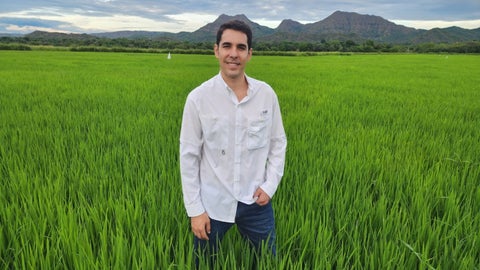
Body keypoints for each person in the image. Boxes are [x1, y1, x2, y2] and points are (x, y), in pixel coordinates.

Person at [179, 20, 287, 267]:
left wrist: (270, 186)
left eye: (241, 47)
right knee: (203, 263)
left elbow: (278, 142)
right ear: (216, 50)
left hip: (256, 202)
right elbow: (188, 157)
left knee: (268, 262)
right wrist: (195, 210)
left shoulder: (266, 95)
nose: (233, 54)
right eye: (227, 46)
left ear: (250, 54)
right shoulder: (198, 98)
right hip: (212, 204)